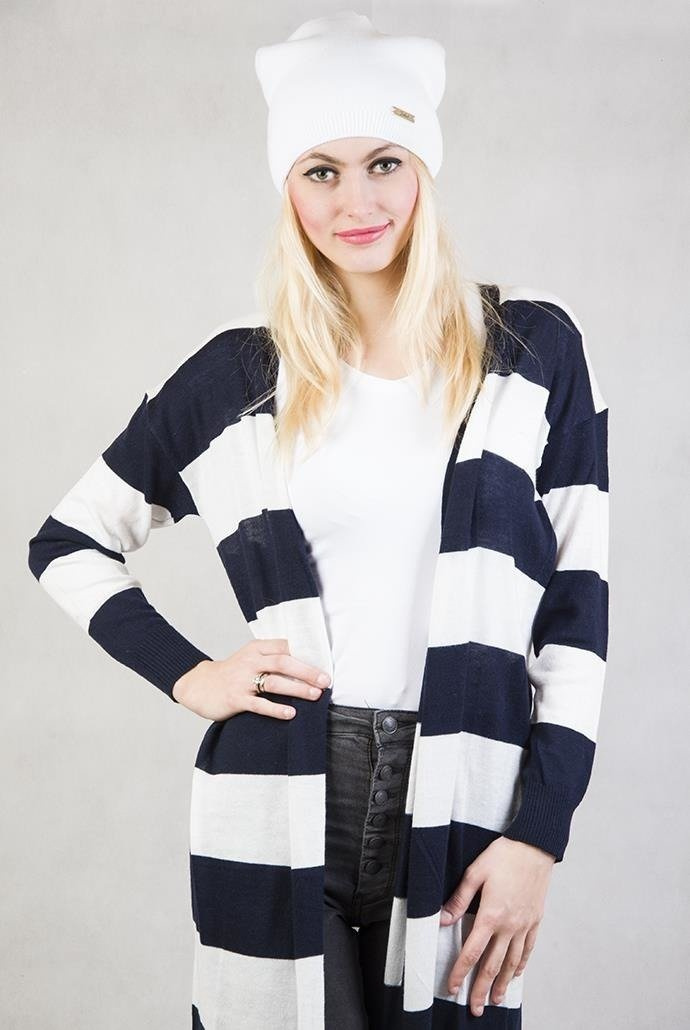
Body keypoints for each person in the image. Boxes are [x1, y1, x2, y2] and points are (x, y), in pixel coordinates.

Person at [27, 10, 610, 1030]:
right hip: (278, 792)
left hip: (467, 794)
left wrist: (541, 834)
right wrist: (192, 675)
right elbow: (67, 542)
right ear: (288, 188)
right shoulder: (241, 373)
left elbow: (577, 615)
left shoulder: (532, 350)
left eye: (384, 162)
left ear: (424, 168)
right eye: (321, 171)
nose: (356, 201)